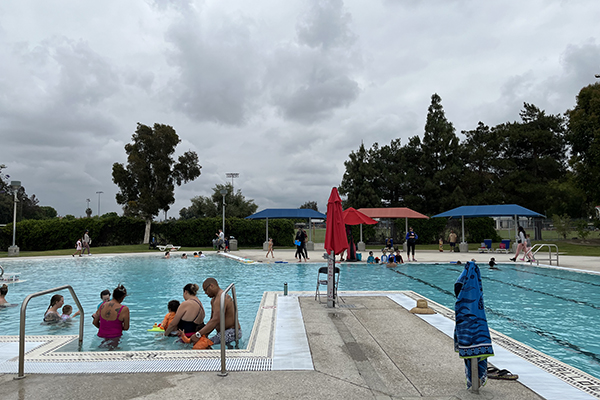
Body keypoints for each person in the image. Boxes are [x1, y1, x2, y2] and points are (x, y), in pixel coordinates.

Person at [191, 278, 241, 347]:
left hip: (232, 332)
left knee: (204, 345)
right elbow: (212, 320)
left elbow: (216, 320)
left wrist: (198, 334)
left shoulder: (222, 297)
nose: (205, 293)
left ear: (211, 286)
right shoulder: (214, 300)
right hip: (223, 333)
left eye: (205, 290)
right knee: (202, 342)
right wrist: (205, 335)